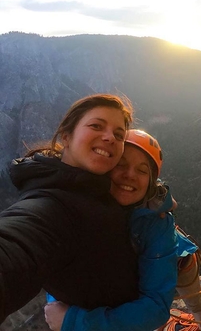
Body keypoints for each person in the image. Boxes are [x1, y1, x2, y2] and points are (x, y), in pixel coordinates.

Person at [45, 129, 201, 331]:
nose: (130, 175)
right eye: (121, 164)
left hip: (181, 263)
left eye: (142, 170)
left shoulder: (157, 222)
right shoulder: (87, 207)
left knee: (197, 306)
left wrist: (74, 321)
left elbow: (156, 308)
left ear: (150, 183)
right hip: (146, 273)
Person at [0, 94, 140, 324]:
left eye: (118, 135)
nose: (109, 138)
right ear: (66, 136)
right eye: (96, 126)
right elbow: (19, 241)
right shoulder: (52, 204)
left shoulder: (101, 186)